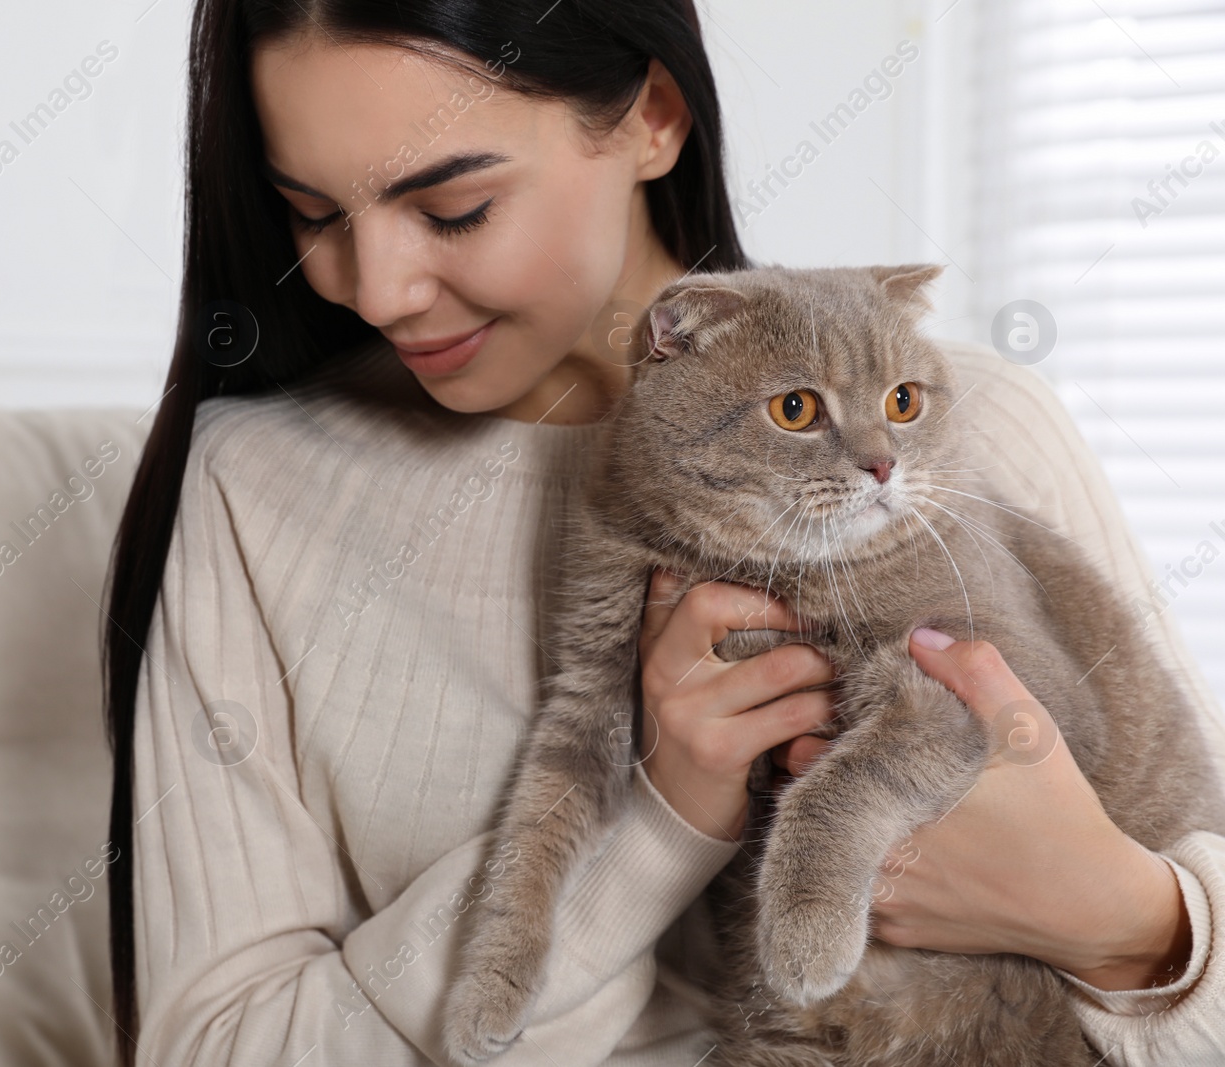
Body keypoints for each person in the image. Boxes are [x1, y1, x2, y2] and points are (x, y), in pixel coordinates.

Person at [100, 1, 1225, 1063]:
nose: (380, 288)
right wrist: (661, 815)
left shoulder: (965, 430)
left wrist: (1125, 921)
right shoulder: (252, 486)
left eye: (454, 209)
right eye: (313, 215)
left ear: (650, 118)